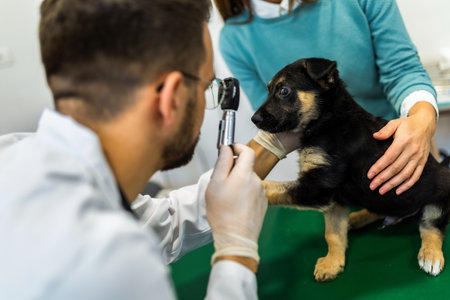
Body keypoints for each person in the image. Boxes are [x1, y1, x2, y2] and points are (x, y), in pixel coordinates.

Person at [0, 0, 298, 299]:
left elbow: (159, 225)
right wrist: (237, 255)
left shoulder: (14, 154)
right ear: (170, 100)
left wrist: (273, 142)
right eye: (207, 86)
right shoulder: (101, 262)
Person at [215, 0, 440, 196]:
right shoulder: (234, 37)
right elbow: (275, 121)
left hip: (399, 149)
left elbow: (401, 70)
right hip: (338, 172)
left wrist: (423, 120)